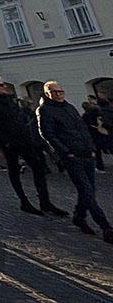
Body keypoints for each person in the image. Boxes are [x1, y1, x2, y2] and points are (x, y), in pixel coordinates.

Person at [0, 75, 65, 216]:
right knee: (14, 172)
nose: (3, 86)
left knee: (39, 168)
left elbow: (18, 119)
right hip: (9, 144)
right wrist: (3, 142)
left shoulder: (9, 99)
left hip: (24, 140)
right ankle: (24, 201)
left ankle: (45, 202)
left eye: (3, 84)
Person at [38, 81, 113, 242]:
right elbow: (48, 134)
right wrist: (66, 152)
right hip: (72, 157)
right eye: (54, 91)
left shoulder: (69, 107)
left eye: (60, 91)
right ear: (47, 93)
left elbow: (82, 128)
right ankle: (105, 226)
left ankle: (79, 216)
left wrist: (92, 148)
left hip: (86, 153)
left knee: (88, 191)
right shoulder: (44, 110)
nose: (58, 94)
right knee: (86, 190)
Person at [81, 100, 108, 172]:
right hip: (102, 133)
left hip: (93, 135)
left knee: (97, 151)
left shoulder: (85, 116)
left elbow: (83, 126)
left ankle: (100, 167)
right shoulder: (100, 114)